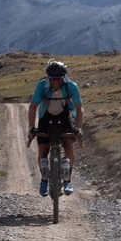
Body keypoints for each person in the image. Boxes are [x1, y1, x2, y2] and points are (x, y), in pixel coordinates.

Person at [27, 59, 83, 196]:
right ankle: (44, 180)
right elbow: (33, 107)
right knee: (42, 151)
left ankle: (68, 179)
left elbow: (79, 108)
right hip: (45, 117)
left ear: (63, 77)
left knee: (69, 146)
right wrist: (31, 127)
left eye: (58, 78)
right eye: (52, 78)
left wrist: (78, 127)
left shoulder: (71, 86)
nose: (56, 81)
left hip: (65, 116)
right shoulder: (42, 86)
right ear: (48, 77)